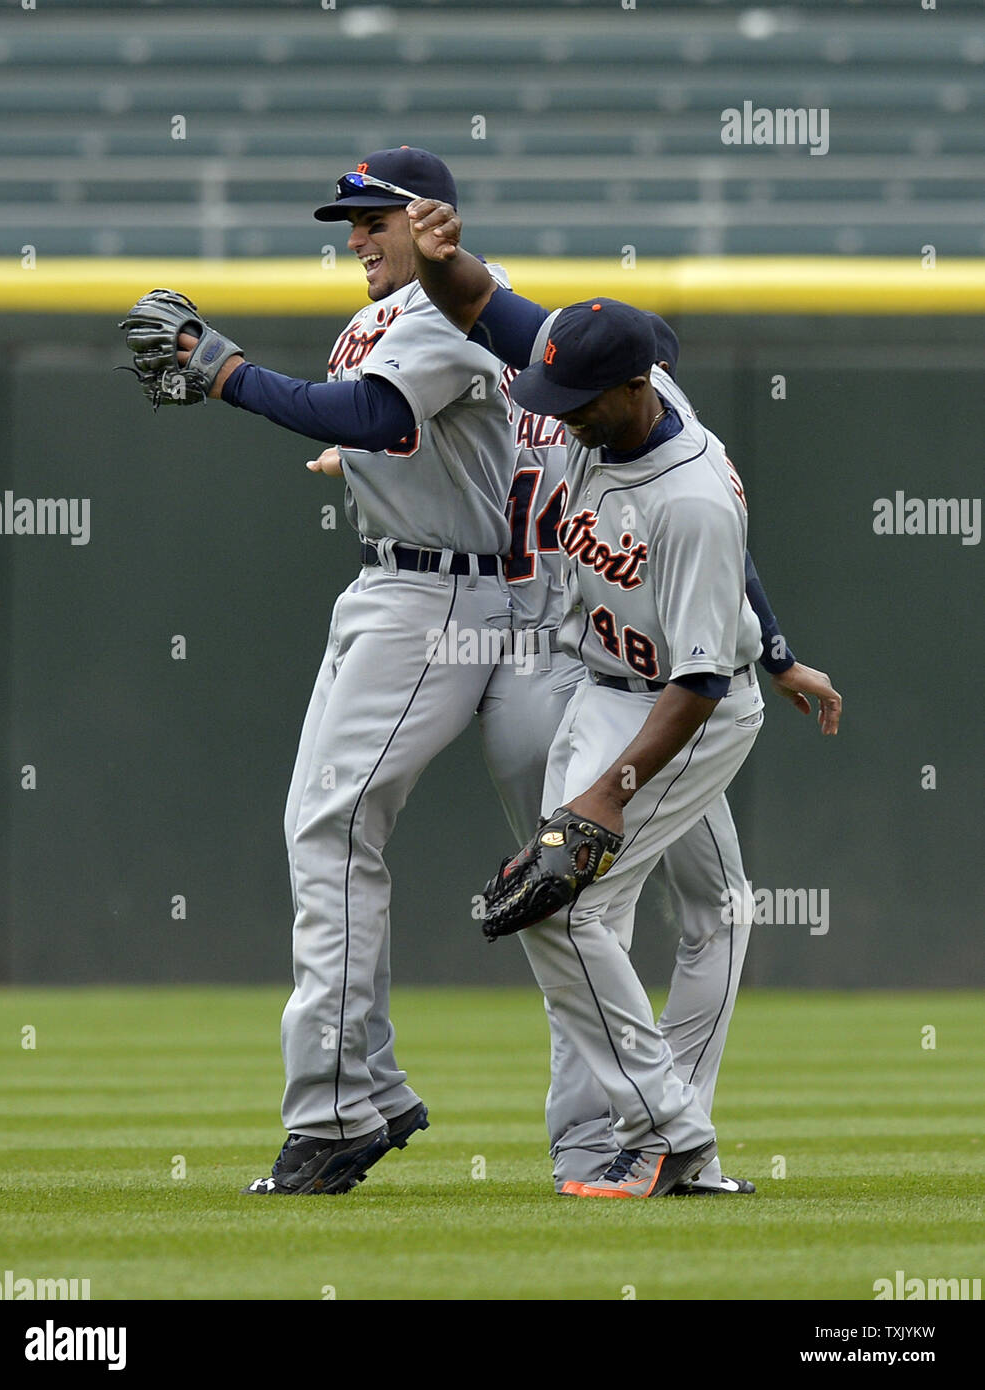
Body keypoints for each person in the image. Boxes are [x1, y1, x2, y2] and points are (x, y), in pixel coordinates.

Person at [405, 196, 839, 1197]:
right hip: (609, 683)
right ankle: (672, 1141)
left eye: (574, 398)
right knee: (714, 909)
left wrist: (607, 793)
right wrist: (441, 257)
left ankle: (670, 1133)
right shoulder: (587, 372)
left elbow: (691, 676)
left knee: (564, 913)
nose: (553, 410)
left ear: (640, 385)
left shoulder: (685, 496)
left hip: (682, 711)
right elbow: (480, 302)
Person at [153, 148, 519, 1196]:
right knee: (320, 829)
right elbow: (383, 431)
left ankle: (332, 1113)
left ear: (428, 221)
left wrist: (223, 370)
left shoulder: (450, 309)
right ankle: (366, 1091)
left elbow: (372, 414)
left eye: (373, 219)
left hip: (443, 598)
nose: (354, 237)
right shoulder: (379, 317)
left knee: (333, 829)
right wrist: (353, 454)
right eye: (346, 222)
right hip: (388, 588)